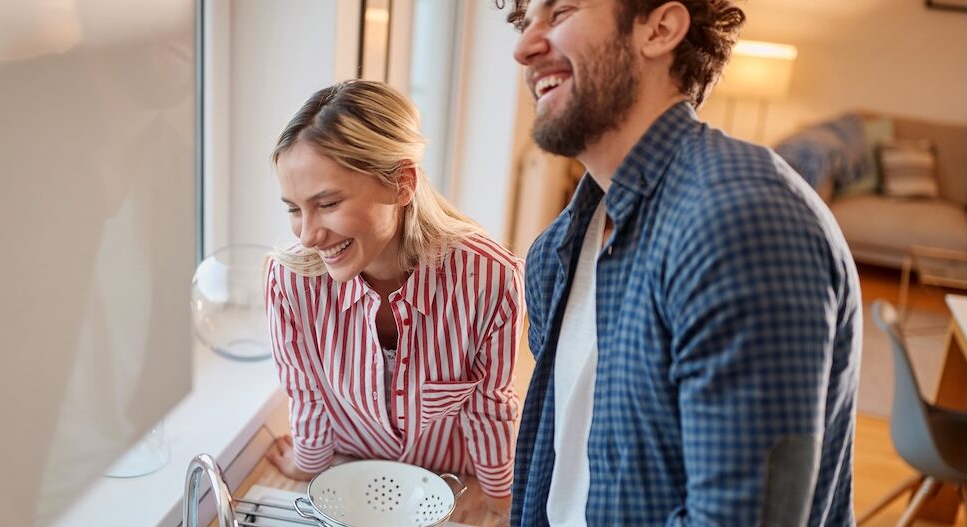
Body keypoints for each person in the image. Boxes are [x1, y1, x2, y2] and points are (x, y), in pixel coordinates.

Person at [499, 1, 862, 525]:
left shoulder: (742, 223)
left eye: (560, 12)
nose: (523, 47)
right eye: (522, 21)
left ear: (659, 28)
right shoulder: (556, 249)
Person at [263, 79, 522, 514]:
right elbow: (306, 393)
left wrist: (501, 502)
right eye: (294, 208)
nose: (308, 236)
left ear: (401, 184)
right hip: (348, 476)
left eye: (327, 204)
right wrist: (309, 464)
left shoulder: (490, 278)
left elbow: (489, 406)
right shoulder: (290, 282)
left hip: (447, 487)